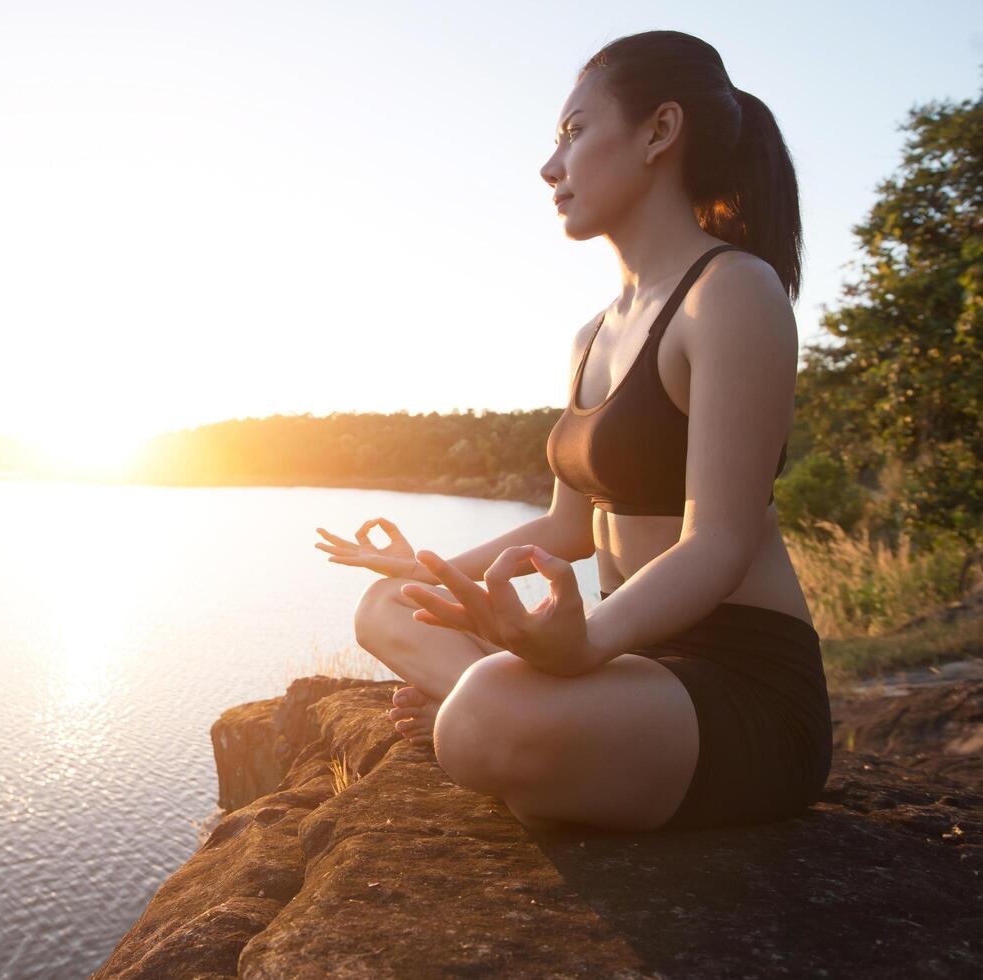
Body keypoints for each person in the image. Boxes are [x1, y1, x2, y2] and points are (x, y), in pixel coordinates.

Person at [314, 30, 830, 834]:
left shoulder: (730, 291)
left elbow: (718, 542)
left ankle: (505, 726)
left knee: (485, 714)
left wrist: (582, 645)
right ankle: (527, 729)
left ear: (659, 132)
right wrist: (428, 569)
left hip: (737, 682)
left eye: (574, 131)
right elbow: (569, 527)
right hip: (634, 663)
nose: (550, 167)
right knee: (387, 605)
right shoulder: (591, 334)